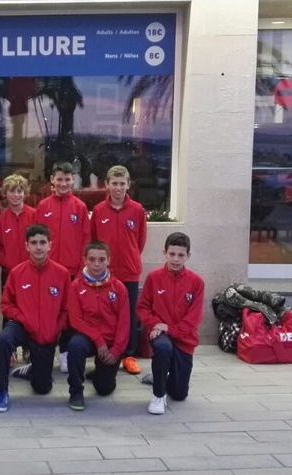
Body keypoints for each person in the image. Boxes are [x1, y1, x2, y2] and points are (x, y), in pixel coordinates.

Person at [0, 224, 69, 413]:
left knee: (43, 388)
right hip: (22, 326)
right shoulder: (17, 273)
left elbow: (67, 309)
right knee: (2, 341)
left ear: (50, 245)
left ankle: (31, 369)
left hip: (46, 333)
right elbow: (6, 305)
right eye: (34, 243)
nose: (38, 247)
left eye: (43, 242)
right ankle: (2, 391)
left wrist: (55, 330)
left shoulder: (62, 274)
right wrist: (24, 319)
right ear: (27, 246)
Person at [137, 232, 204, 415]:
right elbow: (142, 307)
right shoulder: (154, 277)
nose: (176, 259)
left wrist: (171, 328)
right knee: (163, 349)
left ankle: (159, 375)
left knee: (179, 394)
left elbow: (193, 319)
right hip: (160, 334)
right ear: (164, 252)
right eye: (172, 254)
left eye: (181, 255)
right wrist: (156, 324)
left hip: (184, 339)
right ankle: (158, 395)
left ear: (188, 256)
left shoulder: (197, 283)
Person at [90, 165, 147, 376]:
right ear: (107, 184)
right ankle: (104, 353)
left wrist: (130, 258)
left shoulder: (138, 210)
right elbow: (93, 241)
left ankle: (129, 356)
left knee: (129, 315)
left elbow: (139, 241)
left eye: (122, 183)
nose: (118, 188)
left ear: (128, 185)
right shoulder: (98, 211)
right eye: (114, 183)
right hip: (105, 273)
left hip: (129, 272)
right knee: (106, 315)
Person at [36, 161, 90, 373]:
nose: (64, 183)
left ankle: (66, 352)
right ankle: (43, 350)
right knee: (49, 312)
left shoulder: (80, 207)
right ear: (52, 180)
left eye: (68, 179)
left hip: (72, 272)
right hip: (48, 270)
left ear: (73, 180)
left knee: (69, 314)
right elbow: (37, 239)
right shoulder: (43, 206)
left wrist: (80, 269)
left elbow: (86, 239)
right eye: (59, 179)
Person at [65, 242, 130, 411]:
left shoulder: (119, 287)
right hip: (88, 337)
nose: (96, 264)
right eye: (92, 259)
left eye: (101, 259)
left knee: (104, 389)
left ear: (108, 260)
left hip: (110, 342)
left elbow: (124, 323)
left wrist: (116, 351)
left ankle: (101, 371)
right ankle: (76, 391)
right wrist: (97, 339)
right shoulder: (76, 286)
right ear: (84, 260)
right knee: (75, 346)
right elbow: (75, 320)